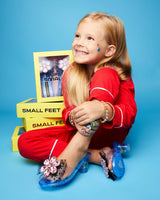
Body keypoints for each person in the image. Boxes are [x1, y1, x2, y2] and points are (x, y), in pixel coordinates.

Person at [18, 12, 137, 187]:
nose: (79, 42)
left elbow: (129, 114)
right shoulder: (72, 73)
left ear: (109, 50)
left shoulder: (117, 75)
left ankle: (76, 153)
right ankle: (95, 155)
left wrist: (102, 110)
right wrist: (73, 117)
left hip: (108, 131)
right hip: (78, 135)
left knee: (105, 72)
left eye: (89, 38)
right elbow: (67, 110)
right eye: (77, 35)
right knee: (24, 142)